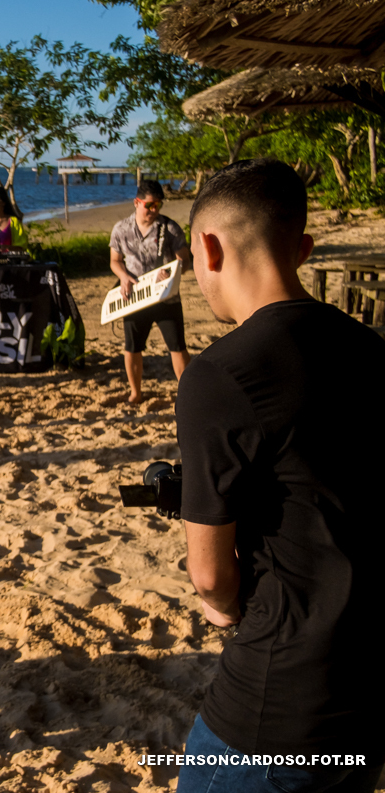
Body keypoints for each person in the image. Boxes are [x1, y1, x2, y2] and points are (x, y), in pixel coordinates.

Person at [175, 159, 385, 792]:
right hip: (364, 692)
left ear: (208, 248)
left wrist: (223, 609)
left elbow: (211, 577)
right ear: (303, 248)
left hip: (275, 708)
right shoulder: (370, 348)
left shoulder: (219, 374)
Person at [109, 179, 192, 403]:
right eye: (149, 205)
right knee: (132, 348)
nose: (154, 210)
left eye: (158, 205)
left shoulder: (170, 227)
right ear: (137, 203)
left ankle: (188, 394)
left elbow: (185, 258)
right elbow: (115, 261)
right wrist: (123, 276)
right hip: (135, 297)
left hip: (166, 297)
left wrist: (174, 268)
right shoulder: (121, 229)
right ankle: (136, 393)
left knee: (177, 347)